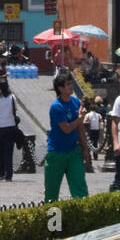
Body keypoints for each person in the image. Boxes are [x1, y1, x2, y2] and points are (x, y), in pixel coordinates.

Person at [44, 72, 89, 202]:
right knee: (51, 193)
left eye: (71, 83)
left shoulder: (75, 101)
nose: (71, 86)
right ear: (60, 88)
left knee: (80, 188)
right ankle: (51, 218)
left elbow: (80, 128)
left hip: (73, 152)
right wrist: (80, 118)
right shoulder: (56, 107)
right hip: (56, 154)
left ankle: (83, 215)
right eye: (68, 84)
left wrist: (85, 148)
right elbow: (67, 129)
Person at [0, 74, 20, 182]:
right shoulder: (12, 98)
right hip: (10, 127)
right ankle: (9, 174)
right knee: (8, 152)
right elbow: (15, 110)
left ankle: (0, 173)